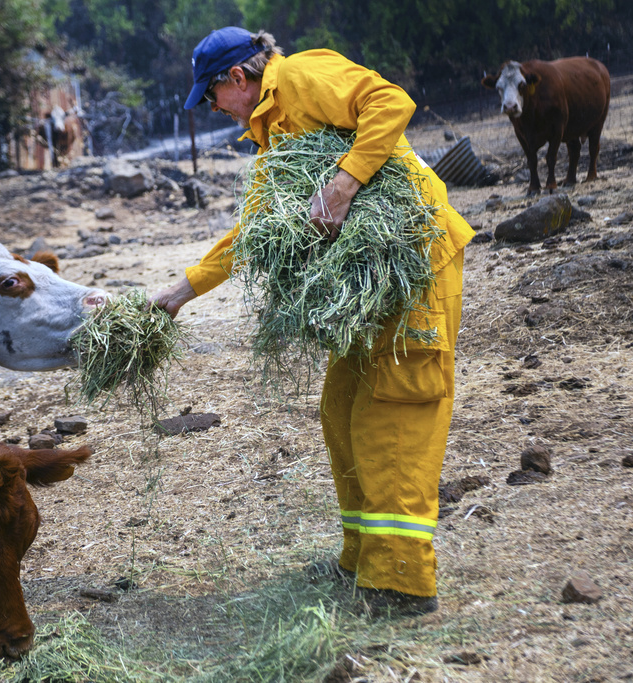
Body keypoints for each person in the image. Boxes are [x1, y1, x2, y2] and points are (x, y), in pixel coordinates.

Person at [151, 26, 475, 616]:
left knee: (392, 414)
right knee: (342, 410)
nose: (214, 109)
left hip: (411, 259)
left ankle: (401, 582)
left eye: (211, 96)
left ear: (238, 79)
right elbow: (258, 230)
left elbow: (391, 102)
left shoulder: (301, 77)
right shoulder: (273, 132)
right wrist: (180, 292)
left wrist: (345, 183)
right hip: (366, 284)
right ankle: (362, 560)